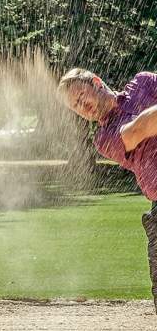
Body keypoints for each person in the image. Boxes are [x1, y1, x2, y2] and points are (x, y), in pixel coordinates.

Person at [58, 68, 157, 312]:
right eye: (76, 107)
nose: (83, 106)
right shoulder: (104, 137)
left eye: (81, 96)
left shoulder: (143, 82)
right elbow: (136, 131)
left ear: (96, 82)